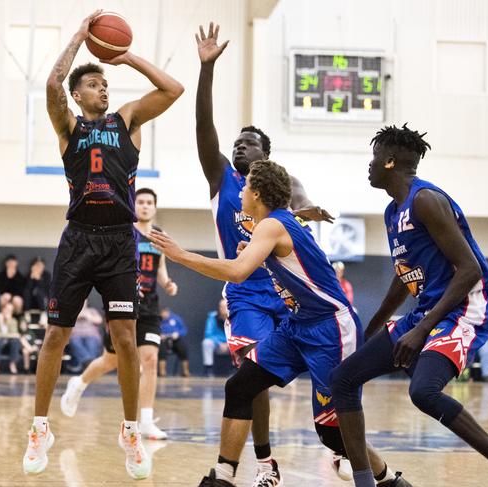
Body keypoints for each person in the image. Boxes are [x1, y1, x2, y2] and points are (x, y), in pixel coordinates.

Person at [150, 159, 409, 487]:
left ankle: (389, 483)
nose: (240, 192)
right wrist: (256, 251)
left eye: (245, 188)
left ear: (256, 194)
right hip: (299, 326)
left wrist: (179, 255)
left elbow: (236, 272)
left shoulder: (272, 225)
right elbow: (270, 257)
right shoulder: (275, 225)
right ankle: (224, 477)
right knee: (240, 385)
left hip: (331, 328)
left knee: (334, 433)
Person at [329, 124, 488, 487]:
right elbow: (403, 278)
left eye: (374, 158)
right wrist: (369, 330)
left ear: (389, 161)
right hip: (427, 312)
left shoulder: (426, 201)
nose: (369, 166)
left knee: (423, 392)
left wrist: (420, 330)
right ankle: (368, 483)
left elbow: (469, 270)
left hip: (465, 308)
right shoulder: (393, 212)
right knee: (342, 379)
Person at [22, 10, 183, 480]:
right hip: (77, 241)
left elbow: (173, 90)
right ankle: (40, 428)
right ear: (79, 95)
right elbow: (52, 86)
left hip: (118, 243)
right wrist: (78, 38)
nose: (104, 89)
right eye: (95, 84)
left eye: (106, 84)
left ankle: (131, 431)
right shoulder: (68, 126)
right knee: (55, 335)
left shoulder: (127, 120)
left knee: (126, 340)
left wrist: (125, 56)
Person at [194, 22, 335, 486]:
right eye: (237, 141)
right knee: (252, 374)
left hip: (290, 294)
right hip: (247, 293)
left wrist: (306, 214)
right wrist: (207, 70)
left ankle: (337, 443)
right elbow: (204, 127)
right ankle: (264, 460)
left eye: (249, 142)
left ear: (266, 154)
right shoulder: (222, 178)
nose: (238, 144)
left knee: (326, 369)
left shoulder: (281, 188)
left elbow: (294, 224)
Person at [60, 188, 179, 443]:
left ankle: (145, 421)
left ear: (155, 208)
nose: (145, 206)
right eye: (141, 202)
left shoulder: (160, 235)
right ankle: (78, 383)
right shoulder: (124, 231)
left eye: (150, 203)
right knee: (110, 361)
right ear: (133, 205)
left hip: (149, 307)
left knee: (149, 359)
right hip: (124, 303)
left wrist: (167, 283)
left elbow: (161, 268)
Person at [67, 301, 104, 371]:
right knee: (75, 342)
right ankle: (91, 364)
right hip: (76, 335)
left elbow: (99, 320)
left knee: (91, 342)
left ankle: (88, 363)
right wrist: (78, 316)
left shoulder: (91, 311)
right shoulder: (72, 310)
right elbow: (67, 320)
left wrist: (87, 316)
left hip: (91, 334)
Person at [0, 302, 21, 375]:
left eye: (11, 311)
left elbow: (14, 334)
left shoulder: (13, 321)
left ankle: (13, 364)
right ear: (3, 309)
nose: (9, 312)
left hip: (8, 343)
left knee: (15, 341)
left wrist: (8, 321)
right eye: (8, 309)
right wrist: (9, 335)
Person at [201, 299, 230, 377]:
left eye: (225, 307)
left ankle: (236, 370)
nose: (223, 308)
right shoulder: (212, 317)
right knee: (206, 342)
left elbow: (238, 334)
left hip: (230, 345)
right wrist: (219, 343)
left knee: (242, 344)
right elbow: (208, 333)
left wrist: (228, 344)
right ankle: (208, 369)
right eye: (221, 307)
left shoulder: (235, 317)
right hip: (217, 345)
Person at [159, 307, 190, 377]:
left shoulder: (176, 318)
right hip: (163, 341)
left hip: (175, 340)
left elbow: (184, 329)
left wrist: (177, 333)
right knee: (161, 349)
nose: (164, 315)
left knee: (182, 347)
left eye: (165, 313)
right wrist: (160, 335)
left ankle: (186, 371)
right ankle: (162, 371)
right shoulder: (158, 320)